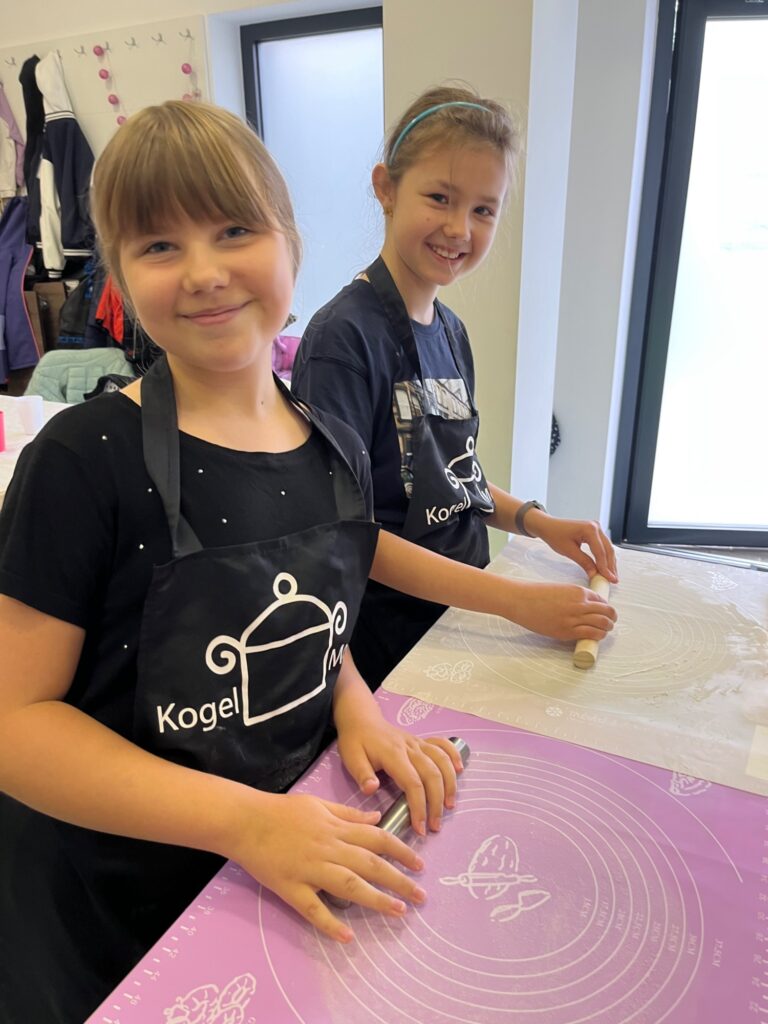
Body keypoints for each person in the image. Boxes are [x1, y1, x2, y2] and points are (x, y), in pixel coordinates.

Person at [0, 101, 463, 1024]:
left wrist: (356, 707)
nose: (205, 271)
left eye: (234, 231)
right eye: (159, 246)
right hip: (112, 909)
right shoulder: (84, 461)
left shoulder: (331, 444)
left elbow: (312, 617)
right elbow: (15, 725)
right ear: (119, 277)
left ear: (291, 242)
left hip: (272, 870)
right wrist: (244, 822)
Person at [292, 84, 619, 689]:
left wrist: (537, 522)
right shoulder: (342, 339)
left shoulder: (451, 332)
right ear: (386, 188)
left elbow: (450, 477)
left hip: (460, 616)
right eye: (440, 197)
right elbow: (350, 536)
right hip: (390, 642)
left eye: (483, 210)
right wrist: (514, 600)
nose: (458, 228)